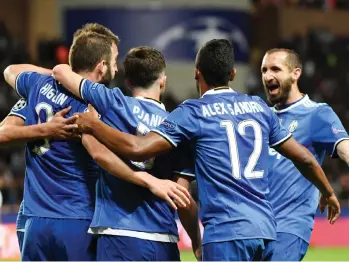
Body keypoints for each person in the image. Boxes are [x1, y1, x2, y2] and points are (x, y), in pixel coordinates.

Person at [53, 39, 340, 261]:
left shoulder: (193, 112)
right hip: (264, 231)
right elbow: (303, 156)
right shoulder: (259, 108)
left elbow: (137, 148)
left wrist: (93, 126)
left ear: (197, 74)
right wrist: (327, 192)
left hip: (225, 232)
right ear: (232, 73)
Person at [53, 46, 201, 261]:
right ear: (163, 81)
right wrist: (196, 243)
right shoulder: (177, 127)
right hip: (162, 238)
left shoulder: (112, 102)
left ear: (128, 82)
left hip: (117, 233)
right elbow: (182, 198)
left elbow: (61, 72)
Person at [261, 48, 349, 261]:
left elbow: (345, 149)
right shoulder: (261, 117)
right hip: (255, 226)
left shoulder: (316, 113)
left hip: (289, 226)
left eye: (275, 69)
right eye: (264, 70)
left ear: (295, 73)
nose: (267, 76)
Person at [0, 97, 79, 254]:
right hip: (43, 209)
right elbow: (3, 133)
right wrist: (47, 129)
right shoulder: (34, 90)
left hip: (67, 208)